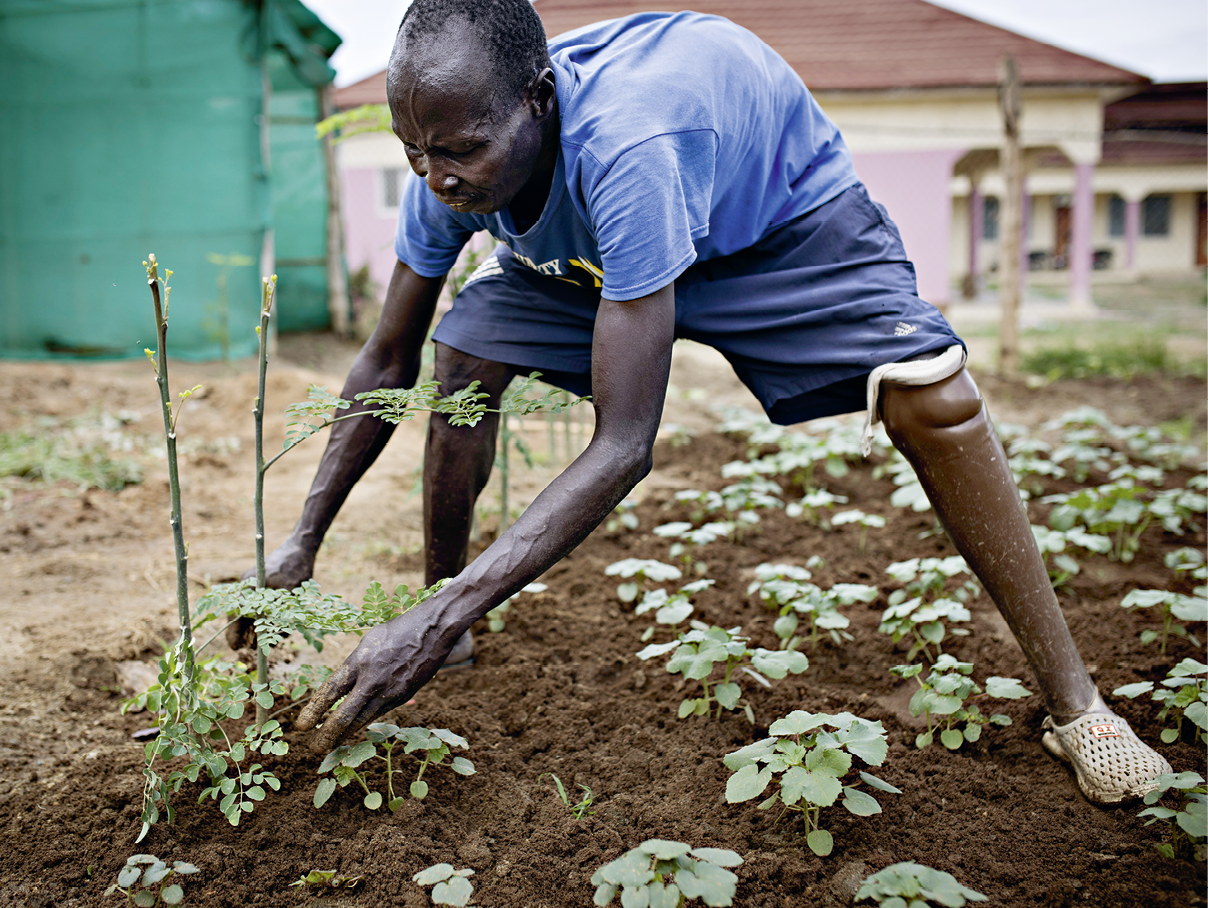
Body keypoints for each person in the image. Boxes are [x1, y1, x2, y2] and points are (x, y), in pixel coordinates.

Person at [277, 0, 1170, 804]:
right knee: (464, 350)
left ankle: (1078, 706)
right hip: (603, 252)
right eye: (414, 153)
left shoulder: (628, 145)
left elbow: (625, 444)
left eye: (460, 150)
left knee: (931, 398)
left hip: (776, 225)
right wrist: (298, 548)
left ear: (537, 100)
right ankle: (446, 611)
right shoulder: (453, 154)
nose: (435, 178)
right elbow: (386, 358)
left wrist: (432, 621)